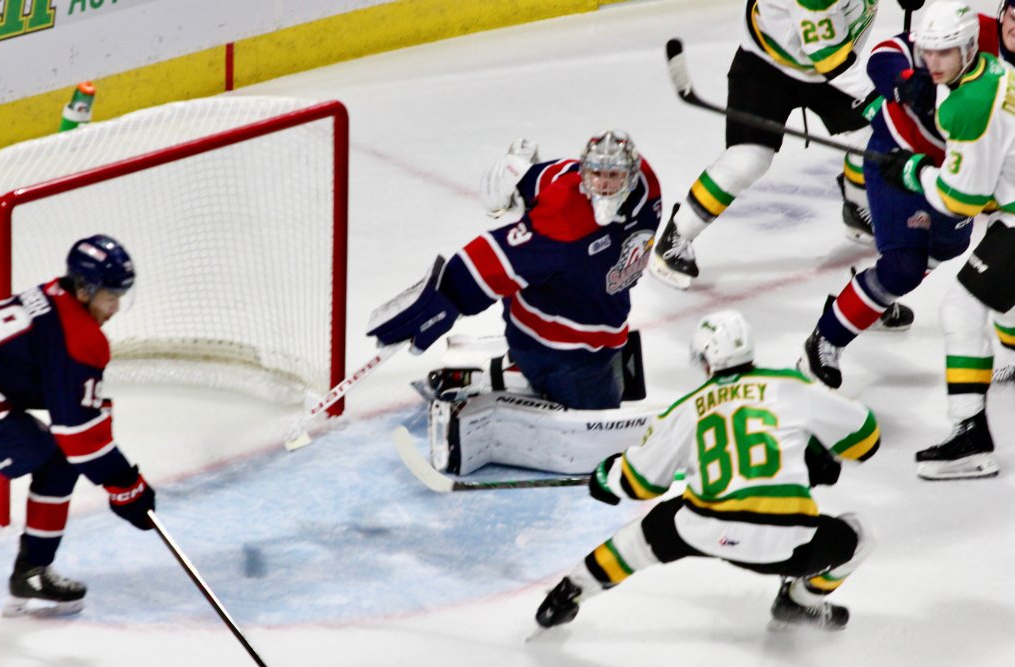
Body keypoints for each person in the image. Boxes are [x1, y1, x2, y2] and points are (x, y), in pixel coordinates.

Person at [534, 310, 880, 633]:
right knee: (860, 535)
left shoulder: (687, 409)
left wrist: (607, 477)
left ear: (705, 359)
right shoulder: (790, 386)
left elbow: (638, 483)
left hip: (704, 529)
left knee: (642, 538)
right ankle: (800, 600)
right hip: (785, 546)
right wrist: (817, 451)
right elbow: (866, 438)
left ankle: (565, 596)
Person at [368, 131, 662, 475]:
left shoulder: (648, 188)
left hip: (593, 322)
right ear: (584, 173)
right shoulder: (564, 220)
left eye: (613, 175)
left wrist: (521, 173)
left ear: (632, 171)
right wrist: (444, 298)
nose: (604, 184)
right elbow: (495, 259)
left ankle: (509, 371)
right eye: (596, 174)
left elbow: (548, 175)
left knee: (608, 377)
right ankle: (491, 399)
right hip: (560, 349)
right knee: (594, 430)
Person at [0, 234, 157, 615]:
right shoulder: (82, 337)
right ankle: (32, 570)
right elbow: (80, 440)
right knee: (57, 462)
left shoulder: (54, 293)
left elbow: (37, 378)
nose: (116, 307)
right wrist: (127, 487)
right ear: (86, 291)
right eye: (110, 296)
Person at [797, 2, 1015, 387]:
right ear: (1002, 14)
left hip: (955, 175)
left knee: (946, 248)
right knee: (904, 267)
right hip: (898, 158)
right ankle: (827, 338)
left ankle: (870, 296)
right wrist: (901, 82)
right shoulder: (968, 32)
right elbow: (885, 53)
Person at [650, 0, 886, 291]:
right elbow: (831, 59)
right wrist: (878, 98)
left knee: (874, 134)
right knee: (748, 160)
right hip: (766, 67)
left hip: (830, 63)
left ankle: (858, 208)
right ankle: (677, 236)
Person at [880, 0, 1015, 480]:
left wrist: (916, 173)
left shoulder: (972, 103)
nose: (932, 62)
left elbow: (961, 201)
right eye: (927, 51)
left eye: (945, 53)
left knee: (960, 308)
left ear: (968, 47)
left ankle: (969, 438)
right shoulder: (989, 70)